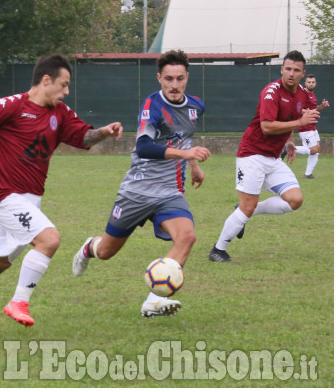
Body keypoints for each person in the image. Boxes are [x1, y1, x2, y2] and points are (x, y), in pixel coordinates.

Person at [0, 54, 123, 336]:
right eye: (63, 85)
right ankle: (18, 302)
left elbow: (82, 136)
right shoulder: (11, 105)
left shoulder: (60, 112)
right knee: (49, 239)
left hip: (31, 201)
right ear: (46, 80)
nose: (66, 91)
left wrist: (104, 132)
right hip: (5, 197)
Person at [71, 49, 211, 318]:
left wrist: (192, 165)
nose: (173, 85)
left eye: (179, 79)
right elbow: (144, 147)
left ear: (186, 78)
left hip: (170, 190)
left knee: (187, 236)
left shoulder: (196, 105)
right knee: (107, 251)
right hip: (138, 190)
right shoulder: (153, 106)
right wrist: (186, 155)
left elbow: (185, 137)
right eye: (168, 78)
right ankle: (89, 247)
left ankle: (153, 300)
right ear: (159, 78)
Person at [209, 50, 320, 263]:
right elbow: (267, 126)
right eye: (287, 68)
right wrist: (299, 124)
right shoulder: (271, 91)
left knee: (295, 200)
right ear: (281, 69)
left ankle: (244, 213)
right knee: (247, 206)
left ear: (302, 73)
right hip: (252, 154)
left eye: (296, 70)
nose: (291, 73)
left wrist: (289, 142)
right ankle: (218, 250)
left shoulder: (301, 95)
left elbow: (290, 119)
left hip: (272, 158)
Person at [280, 74, 330, 178]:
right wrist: (308, 112)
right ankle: (289, 148)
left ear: (315, 83)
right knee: (313, 149)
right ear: (305, 83)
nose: (311, 84)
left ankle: (308, 174)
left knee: (317, 149)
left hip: (312, 125)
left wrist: (322, 106)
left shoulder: (312, 94)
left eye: (313, 82)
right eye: (309, 82)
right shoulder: (303, 95)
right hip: (305, 126)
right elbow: (297, 109)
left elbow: (313, 110)